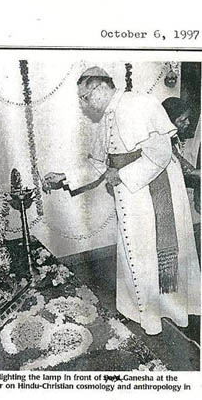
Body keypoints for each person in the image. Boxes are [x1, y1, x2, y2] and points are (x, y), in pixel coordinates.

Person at [43, 66, 201, 335]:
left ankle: (171, 311)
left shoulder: (140, 103)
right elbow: (97, 164)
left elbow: (161, 153)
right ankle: (143, 312)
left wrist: (124, 174)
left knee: (156, 253)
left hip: (154, 190)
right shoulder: (105, 118)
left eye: (85, 97)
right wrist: (65, 176)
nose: (84, 104)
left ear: (101, 88)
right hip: (130, 192)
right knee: (135, 252)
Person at [162, 97, 200, 214]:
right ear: (170, 121)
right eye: (183, 120)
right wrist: (196, 173)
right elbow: (179, 164)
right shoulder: (162, 141)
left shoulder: (172, 138)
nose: (188, 123)